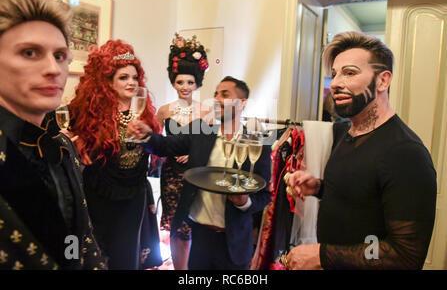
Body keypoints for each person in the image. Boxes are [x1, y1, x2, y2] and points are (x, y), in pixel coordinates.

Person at [285, 31, 437, 270]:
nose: (334, 83)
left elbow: (405, 256)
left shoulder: (405, 153)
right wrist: (318, 187)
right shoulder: (348, 132)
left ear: (382, 81)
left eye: (350, 73)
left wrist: (321, 256)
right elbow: (363, 196)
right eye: (334, 74)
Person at [0, 0, 106, 270]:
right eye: (30, 53)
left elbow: (79, 238)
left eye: (60, 55)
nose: (53, 69)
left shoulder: (62, 146)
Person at [128, 76, 271, 270]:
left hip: (233, 242)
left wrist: (244, 202)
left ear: (242, 103)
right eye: (216, 94)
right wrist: (147, 135)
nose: (217, 99)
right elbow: (165, 146)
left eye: (225, 94)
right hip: (199, 238)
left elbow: (263, 195)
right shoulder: (201, 132)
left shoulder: (256, 145)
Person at [68, 39, 162, 269]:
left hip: (134, 194)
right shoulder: (90, 112)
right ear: (107, 82)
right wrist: (77, 143)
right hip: (100, 193)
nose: (131, 82)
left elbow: (156, 148)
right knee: (98, 252)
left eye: (134, 77)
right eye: (123, 77)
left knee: (127, 253)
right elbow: (65, 135)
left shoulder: (145, 112)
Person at [157, 33, 211, 270]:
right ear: (173, 82)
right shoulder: (164, 111)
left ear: (197, 83)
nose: (185, 87)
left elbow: (212, 146)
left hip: (196, 174)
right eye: (180, 82)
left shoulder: (205, 111)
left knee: (193, 225)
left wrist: (193, 154)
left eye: (190, 82)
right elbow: (156, 141)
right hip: (170, 174)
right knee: (175, 227)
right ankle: (180, 270)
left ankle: (193, 269)